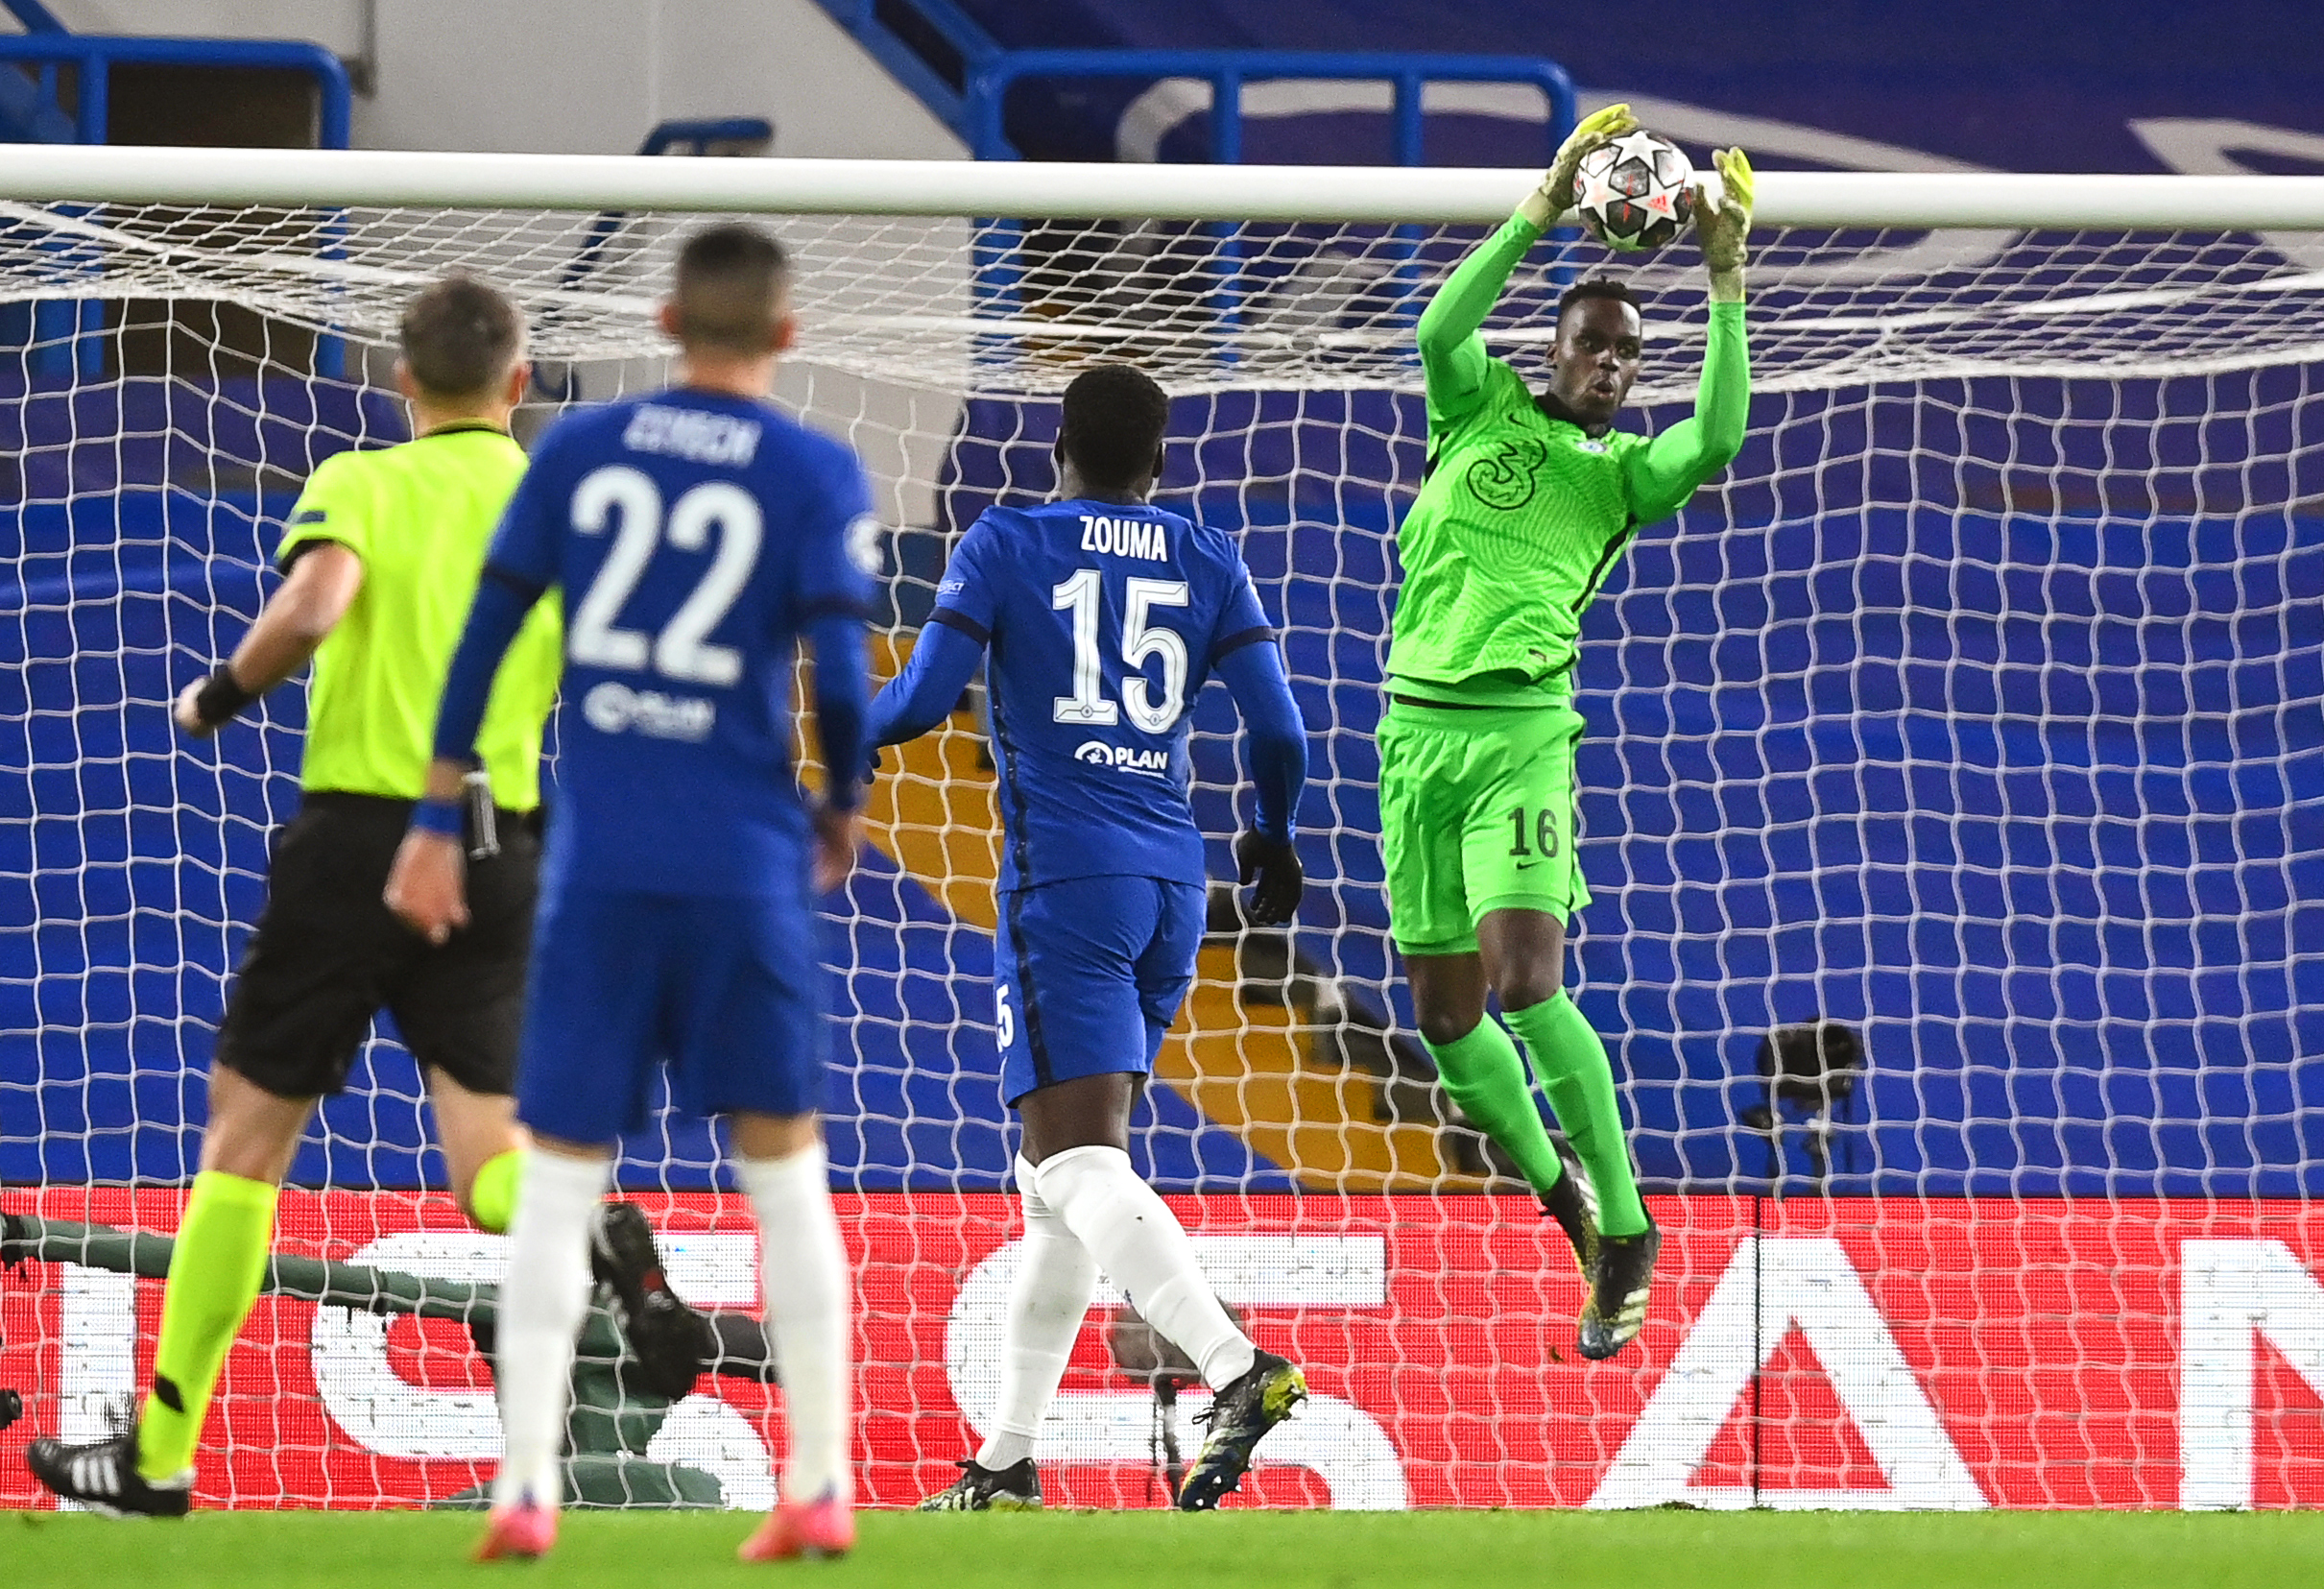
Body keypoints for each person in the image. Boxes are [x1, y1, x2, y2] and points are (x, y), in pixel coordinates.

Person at [25, 276, 705, 1517]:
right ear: (520, 382)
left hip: (359, 840)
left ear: (401, 381)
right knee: (490, 1151)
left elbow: (318, 599)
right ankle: (592, 1219)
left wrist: (219, 694)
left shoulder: (365, 479)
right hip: (505, 847)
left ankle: (160, 1455)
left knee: (246, 1134)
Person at [385, 224, 874, 1564]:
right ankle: (820, 1480)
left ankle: (528, 1485)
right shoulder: (815, 468)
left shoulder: (580, 452)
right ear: (783, 335)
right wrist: (841, 801)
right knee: (785, 1177)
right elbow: (838, 670)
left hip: (599, 869)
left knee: (554, 1186)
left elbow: (485, 639)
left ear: (664, 319)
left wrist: (435, 813)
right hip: (741, 867)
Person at [868, 363, 1312, 1514]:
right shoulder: (1210, 556)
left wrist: (836, 732)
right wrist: (1270, 833)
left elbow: (922, 699)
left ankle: (1235, 1367)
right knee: (1053, 1187)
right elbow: (1280, 724)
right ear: (1157, 464)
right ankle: (1007, 1458)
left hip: (1066, 881)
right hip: (1173, 884)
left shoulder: (1007, 542)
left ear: (1056, 448)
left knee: (1075, 1162)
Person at [1381, 106, 1755, 1360]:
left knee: (1525, 974)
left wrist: (1721, 278)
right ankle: (1569, 1204)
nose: (1611, 366)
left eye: (1627, 357)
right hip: (1410, 737)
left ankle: (1633, 1224)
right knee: (1443, 1014)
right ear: (1555, 344)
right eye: (1594, 345)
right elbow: (1436, 327)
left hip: (1522, 736)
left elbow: (1718, 438)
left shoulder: (1620, 475)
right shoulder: (1475, 411)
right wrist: (1539, 206)